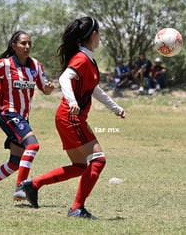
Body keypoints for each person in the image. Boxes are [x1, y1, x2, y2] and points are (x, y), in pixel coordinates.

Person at [20, 16, 125, 219]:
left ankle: (33, 185)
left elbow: (94, 89)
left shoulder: (88, 60)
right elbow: (64, 78)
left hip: (67, 117)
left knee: (80, 167)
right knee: (98, 160)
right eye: (100, 34)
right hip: (71, 117)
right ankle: (77, 208)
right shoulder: (81, 58)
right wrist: (72, 102)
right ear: (94, 35)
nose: (100, 37)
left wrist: (115, 108)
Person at [0, 31, 54, 204]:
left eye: (29, 44)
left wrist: (49, 88)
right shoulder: (5, 64)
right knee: (32, 145)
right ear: (14, 45)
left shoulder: (35, 66)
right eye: (23, 43)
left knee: (16, 162)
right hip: (8, 113)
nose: (27, 47)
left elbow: (44, 90)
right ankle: (21, 187)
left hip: (23, 117)